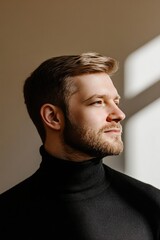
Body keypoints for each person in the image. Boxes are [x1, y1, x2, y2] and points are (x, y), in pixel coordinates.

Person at [0, 52, 160, 240]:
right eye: (98, 102)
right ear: (53, 117)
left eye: (116, 101)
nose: (119, 114)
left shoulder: (150, 205)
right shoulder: (7, 216)